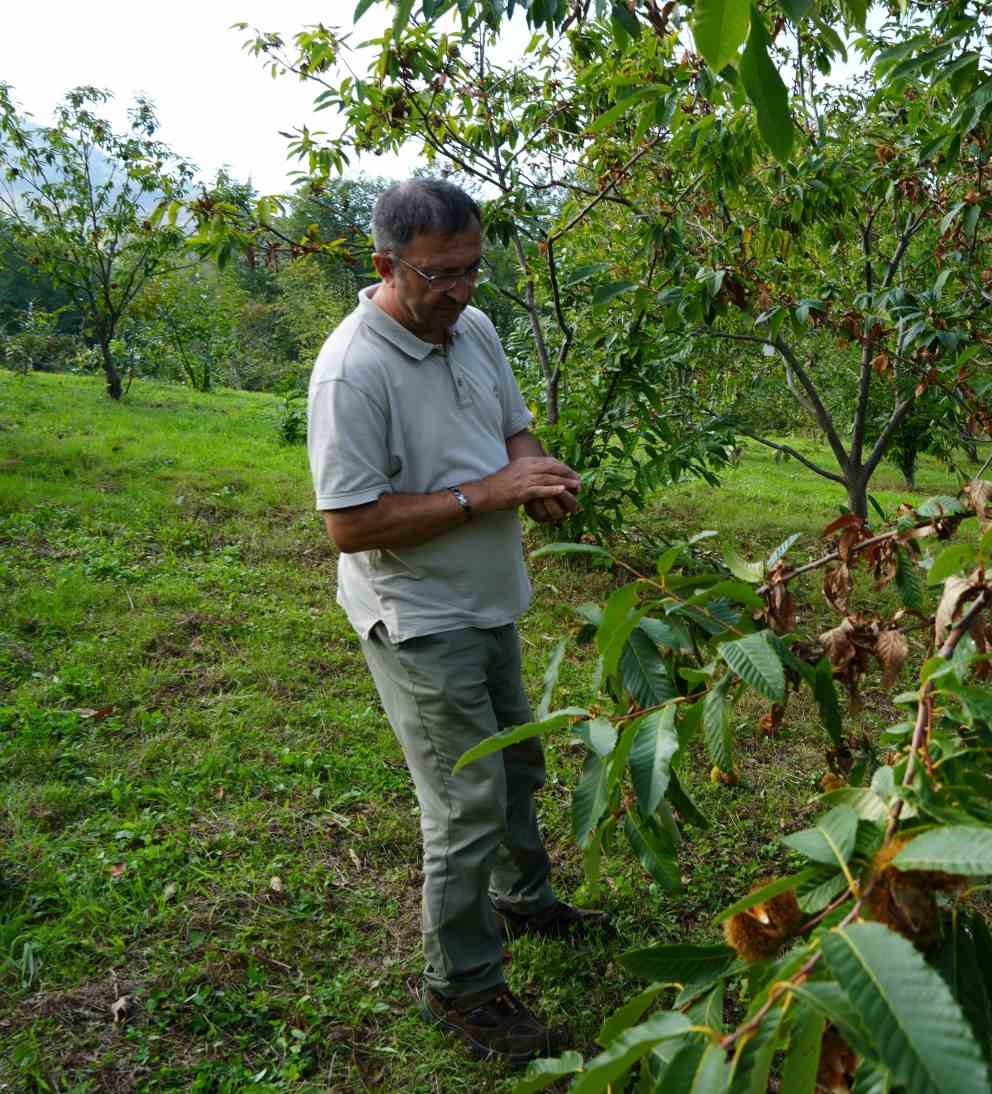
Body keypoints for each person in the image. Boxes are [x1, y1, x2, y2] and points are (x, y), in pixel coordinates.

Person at [306, 178, 607, 1064]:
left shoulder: (470, 327)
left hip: (489, 596)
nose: (464, 290)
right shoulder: (351, 371)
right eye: (442, 275)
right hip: (418, 612)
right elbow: (349, 523)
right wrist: (487, 495)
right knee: (464, 801)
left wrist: (536, 474)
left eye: (474, 268)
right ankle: (463, 986)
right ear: (386, 267)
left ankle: (525, 898)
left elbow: (513, 430)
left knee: (517, 760)